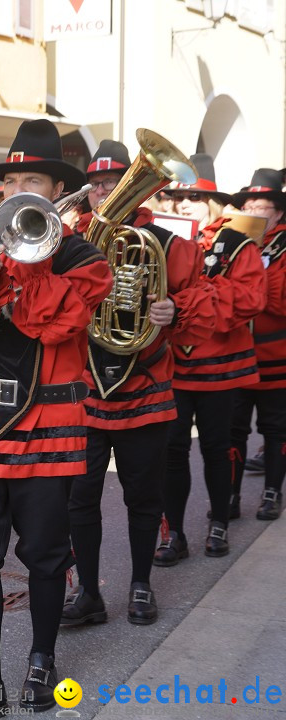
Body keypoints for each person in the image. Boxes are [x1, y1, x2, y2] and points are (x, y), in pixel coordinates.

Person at [0, 119, 113, 717]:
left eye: (29, 180)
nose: (16, 194)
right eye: (8, 183)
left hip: (51, 429)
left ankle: (42, 659)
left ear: (55, 191)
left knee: (44, 552)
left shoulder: (85, 259)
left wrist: (25, 265)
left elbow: (54, 323)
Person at [64, 140, 216, 629]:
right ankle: (88, 592)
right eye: (98, 185)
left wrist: (176, 311)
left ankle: (140, 585)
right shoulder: (68, 241)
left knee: (143, 497)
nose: (106, 192)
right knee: (80, 498)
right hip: (84, 387)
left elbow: (204, 307)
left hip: (145, 384)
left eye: (114, 182)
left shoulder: (170, 245)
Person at [157, 156, 267, 564]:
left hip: (219, 365)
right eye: (180, 196)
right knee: (172, 451)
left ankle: (219, 521)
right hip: (174, 365)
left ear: (214, 202)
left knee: (218, 448)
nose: (185, 203)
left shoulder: (239, 243)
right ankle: (174, 533)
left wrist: (192, 305)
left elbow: (252, 299)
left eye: (195, 197)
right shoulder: (166, 240)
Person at [228, 169, 286, 521]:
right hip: (235, 356)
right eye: (248, 205)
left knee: (275, 428)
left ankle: (271, 493)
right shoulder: (233, 242)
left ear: (278, 213)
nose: (252, 212)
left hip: (275, 357)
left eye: (261, 207)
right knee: (232, 430)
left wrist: (250, 273)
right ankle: (229, 496)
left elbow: (279, 303)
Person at [169, 154, 228, 235]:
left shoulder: (230, 241)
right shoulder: (167, 236)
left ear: (210, 201)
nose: (184, 205)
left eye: (194, 197)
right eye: (179, 197)